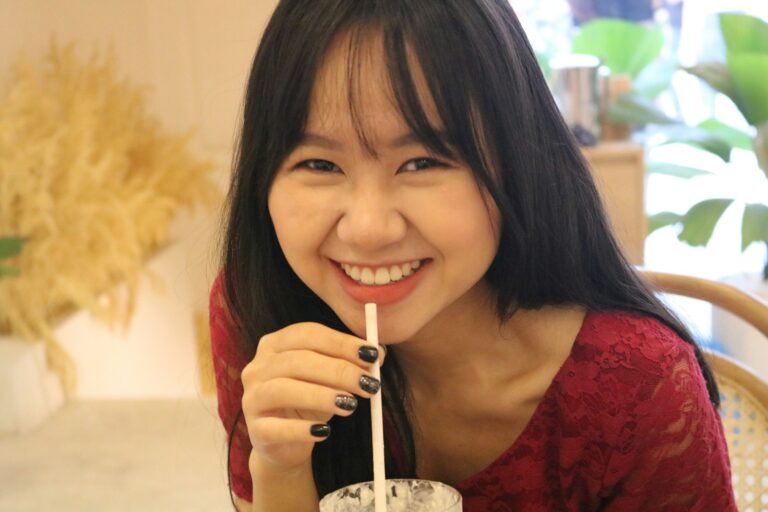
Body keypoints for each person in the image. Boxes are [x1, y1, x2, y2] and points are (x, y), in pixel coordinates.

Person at [209, 0, 737, 510]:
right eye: (320, 164)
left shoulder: (637, 387)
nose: (368, 230)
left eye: (421, 162)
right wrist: (279, 465)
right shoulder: (259, 309)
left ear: (515, 164)